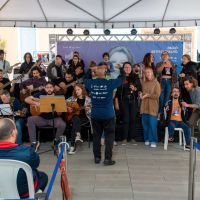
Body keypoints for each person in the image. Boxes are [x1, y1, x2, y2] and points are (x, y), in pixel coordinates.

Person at [84, 63, 124, 165]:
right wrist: (121, 69)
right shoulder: (110, 83)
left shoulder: (90, 83)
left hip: (95, 115)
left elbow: (85, 78)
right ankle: (107, 159)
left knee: (96, 137)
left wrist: (91, 70)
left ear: (95, 73)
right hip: (108, 115)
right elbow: (122, 78)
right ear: (105, 72)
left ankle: (97, 158)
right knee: (109, 137)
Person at [0, 118, 48, 198]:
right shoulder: (27, 152)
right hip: (23, 193)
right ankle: (35, 196)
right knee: (43, 176)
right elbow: (36, 164)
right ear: (13, 133)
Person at [25, 81, 66, 151]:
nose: (49, 89)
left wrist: (59, 109)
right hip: (42, 118)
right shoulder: (41, 94)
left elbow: (60, 114)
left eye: (51, 87)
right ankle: (34, 143)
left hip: (54, 119)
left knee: (62, 124)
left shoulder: (58, 96)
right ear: (44, 88)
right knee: (30, 119)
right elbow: (26, 99)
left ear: (53, 88)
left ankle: (56, 141)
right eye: (47, 88)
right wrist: (36, 103)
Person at [115, 62, 141, 145]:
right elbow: (117, 91)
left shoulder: (135, 76)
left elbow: (140, 88)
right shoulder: (120, 77)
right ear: (123, 68)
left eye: (129, 67)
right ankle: (124, 138)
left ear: (131, 68)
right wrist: (116, 102)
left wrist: (135, 88)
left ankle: (132, 138)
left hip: (133, 101)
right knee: (125, 119)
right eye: (125, 67)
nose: (127, 68)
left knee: (133, 119)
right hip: (123, 101)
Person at [66, 84, 91, 154]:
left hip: (84, 117)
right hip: (73, 117)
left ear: (82, 90)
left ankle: (72, 146)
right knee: (76, 118)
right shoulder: (72, 98)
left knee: (75, 123)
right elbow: (64, 103)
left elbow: (91, 111)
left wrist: (88, 110)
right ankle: (78, 135)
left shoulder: (88, 99)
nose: (77, 91)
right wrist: (68, 108)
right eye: (75, 90)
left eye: (78, 89)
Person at [140, 67, 161, 147]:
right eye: (146, 72)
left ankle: (153, 140)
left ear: (152, 73)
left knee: (152, 125)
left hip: (153, 107)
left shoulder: (156, 83)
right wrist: (141, 95)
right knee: (145, 125)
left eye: (149, 72)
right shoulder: (144, 83)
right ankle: (147, 139)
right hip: (144, 106)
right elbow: (142, 93)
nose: (147, 74)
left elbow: (157, 96)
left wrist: (147, 95)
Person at [156, 51, 177, 118]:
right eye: (163, 55)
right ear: (161, 57)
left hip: (169, 81)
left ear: (169, 56)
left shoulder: (172, 64)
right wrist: (163, 64)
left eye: (166, 55)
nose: (164, 56)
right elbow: (157, 71)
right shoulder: (159, 63)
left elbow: (174, 74)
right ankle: (161, 113)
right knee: (161, 98)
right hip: (161, 82)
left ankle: (166, 113)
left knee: (167, 98)